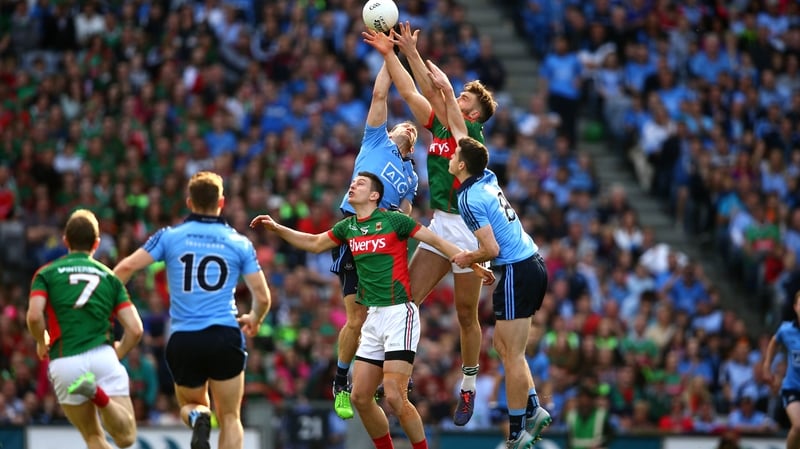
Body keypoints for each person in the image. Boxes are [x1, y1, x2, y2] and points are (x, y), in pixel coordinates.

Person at [250, 172, 494, 449]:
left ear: (375, 195)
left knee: (394, 395)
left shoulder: (394, 220)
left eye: (360, 184)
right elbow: (315, 243)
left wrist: (472, 260)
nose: (352, 185)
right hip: (373, 317)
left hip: (399, 313)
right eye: (352, 182)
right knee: (360, 397)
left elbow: (437, 242)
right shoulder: (348, 227)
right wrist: (277, 228)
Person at [363, 22, 498, 426]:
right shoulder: (439, 124)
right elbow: (411, 91)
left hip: (471, 229)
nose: (455, 96)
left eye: (463, 96)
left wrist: (411, 53)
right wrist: (393, 53)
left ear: (472, 112)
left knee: (465, 314)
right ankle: (389, 377)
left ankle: (469, 385)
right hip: (441, 224)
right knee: (404, 299)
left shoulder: (469, 132)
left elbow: (435, 89)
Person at [427, 60, 551, 448]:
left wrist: (468, 260)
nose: (447, 157)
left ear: (461, 165)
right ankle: (534, 407)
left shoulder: (467, 198)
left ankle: (517, 432)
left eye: (452, 157)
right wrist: (444, 88)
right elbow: (458, 122)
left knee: (510, 355)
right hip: (531, 262)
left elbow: (491, 249)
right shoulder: (484, 175)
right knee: (506, 348)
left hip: (514, 269)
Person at [113, 171, 272, 449]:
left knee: (190, 404)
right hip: (225, 334)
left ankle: (199, 416)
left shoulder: (169, 237)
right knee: (231, 416)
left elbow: (124, 269)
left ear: (189, 202)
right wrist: (254, 318)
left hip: (184, 338)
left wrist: (112, 306)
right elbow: (263, 296)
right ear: (221, 202)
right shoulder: (239, 242)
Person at [328, 62, 419, 420]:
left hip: (383, 246)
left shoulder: (411, 176)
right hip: (352, 232)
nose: (408, 128)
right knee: (356, 318)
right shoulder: (375, 140)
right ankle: (340, 381)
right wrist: (387, 54)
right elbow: (381, 92)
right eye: (404, 125)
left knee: (393, 309)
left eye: (413, 131)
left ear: (412, 149)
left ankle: (391, 374)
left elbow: (407, 218)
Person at [26, 209, 144, 449]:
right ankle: (98, 394)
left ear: (66, 241)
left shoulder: (46, 273)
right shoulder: (110, 278)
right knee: (127, 437)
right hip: (102, 355)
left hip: (64, 361)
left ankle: (93, 392)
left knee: (93, 437)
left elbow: (35, 315)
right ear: (97, 243)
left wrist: (41, 340)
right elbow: (135, 329)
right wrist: (118, 353)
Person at [763, 290, 800, 449]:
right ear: (795, 307)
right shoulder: (786, 330)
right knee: (799, 427)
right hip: (792, 388)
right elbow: (774, 342)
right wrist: (767, 366)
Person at [565, 385, 614, 449]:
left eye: (587, 404)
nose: (585, 405)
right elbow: (568, 440)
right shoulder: (571, 416)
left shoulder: (601, 415)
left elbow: (611, 435)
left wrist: (601, 444)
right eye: (582, 404)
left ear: (592, 402)